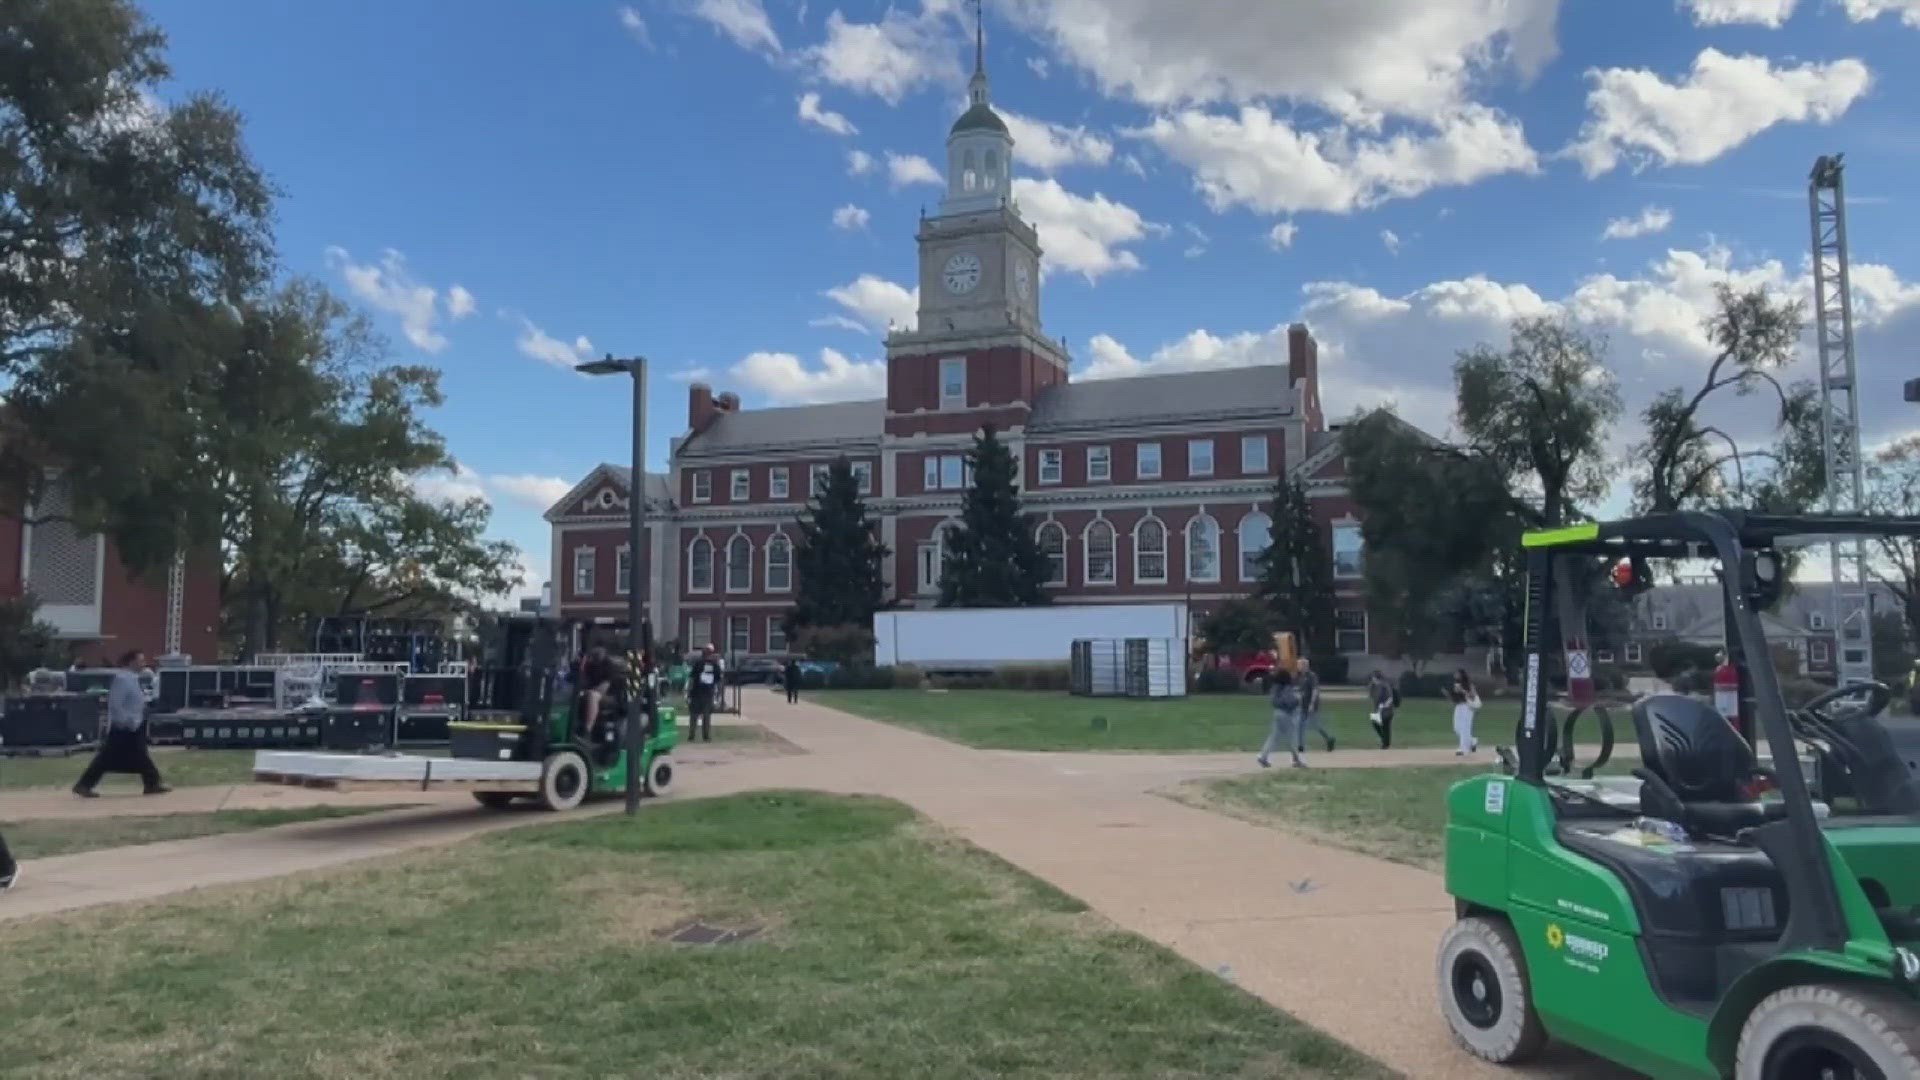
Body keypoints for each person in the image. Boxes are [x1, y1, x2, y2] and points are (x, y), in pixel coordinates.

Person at [73, 650, 169, 798]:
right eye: (140, 660)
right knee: (108, 757)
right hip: (123, 727)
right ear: (131, 662)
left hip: (134, 725)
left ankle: (151, 783)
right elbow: (115, 704)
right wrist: (125, 721)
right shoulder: (122, 679)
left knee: (139, 754)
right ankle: (84, 785)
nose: (143, 663)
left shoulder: (133, 678)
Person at [1257, 668, 1306, 769]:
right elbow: (1289, 702)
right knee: (1292, 738)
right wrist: (1298, 700)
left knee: (1274, 737)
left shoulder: (1275, 688)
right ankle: (1297, 760)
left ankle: (1263, 757)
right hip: (1286, 715)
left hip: (1277, 714)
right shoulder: (1287, 688)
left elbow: (1274, 701)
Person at [1294, 657, 1335, 753]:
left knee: (1315, 725)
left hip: (1311, 705)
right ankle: (1300, 746)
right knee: (1299, 725)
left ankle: (1329, 739)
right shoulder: (1300, 676)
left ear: (1304, 665)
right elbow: (1301, 690)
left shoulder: (1312, 676)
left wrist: (1312, 704)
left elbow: (1315, 690)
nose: (1298, 666)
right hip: (1302, 705)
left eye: (1299, 664)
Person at [575, 648, 616, 742]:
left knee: (592, 696)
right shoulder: (589, 664)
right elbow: (581, 680)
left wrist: (587, 691)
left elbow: (605, 687)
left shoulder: (608, 665)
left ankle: (587, 731)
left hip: (608, 696)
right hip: (589, 691)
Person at [686, 644, 720, 742]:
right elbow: (718, 681)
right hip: (707, 693)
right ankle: (706, 736)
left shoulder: (698, 664)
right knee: (706, 716)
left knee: (694, 716)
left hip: (696, 692)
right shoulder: (715, 665)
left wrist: (688, 692)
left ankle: (691, 736)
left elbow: (691, 679)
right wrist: (718, 694)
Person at [1449, 668, 1481, 756]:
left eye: (1457, 674)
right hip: (1458, 706)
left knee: (1465, 728)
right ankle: (1472, 741)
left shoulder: (1469, 685)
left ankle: (1463, 749)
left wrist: (1462, 691)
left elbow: (1473, 696)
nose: (1455, 675)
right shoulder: (1455, 684)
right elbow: (1454, 697)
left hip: (1467, 706)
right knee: (1457, 728)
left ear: (1462, 675)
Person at [1368, 669, 1400, 750]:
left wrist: (1384, 705)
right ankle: (1384, 740)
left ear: (1376, 677)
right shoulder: (1373, 686)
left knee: (1386, 726)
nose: (1372, 679)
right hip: (1377, 710)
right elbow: (1372, 696)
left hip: (1387, 710)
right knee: (1375, 723)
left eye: (1373, 677)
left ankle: (1386, 744)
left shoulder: (1385, 686)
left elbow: (1390, 698)